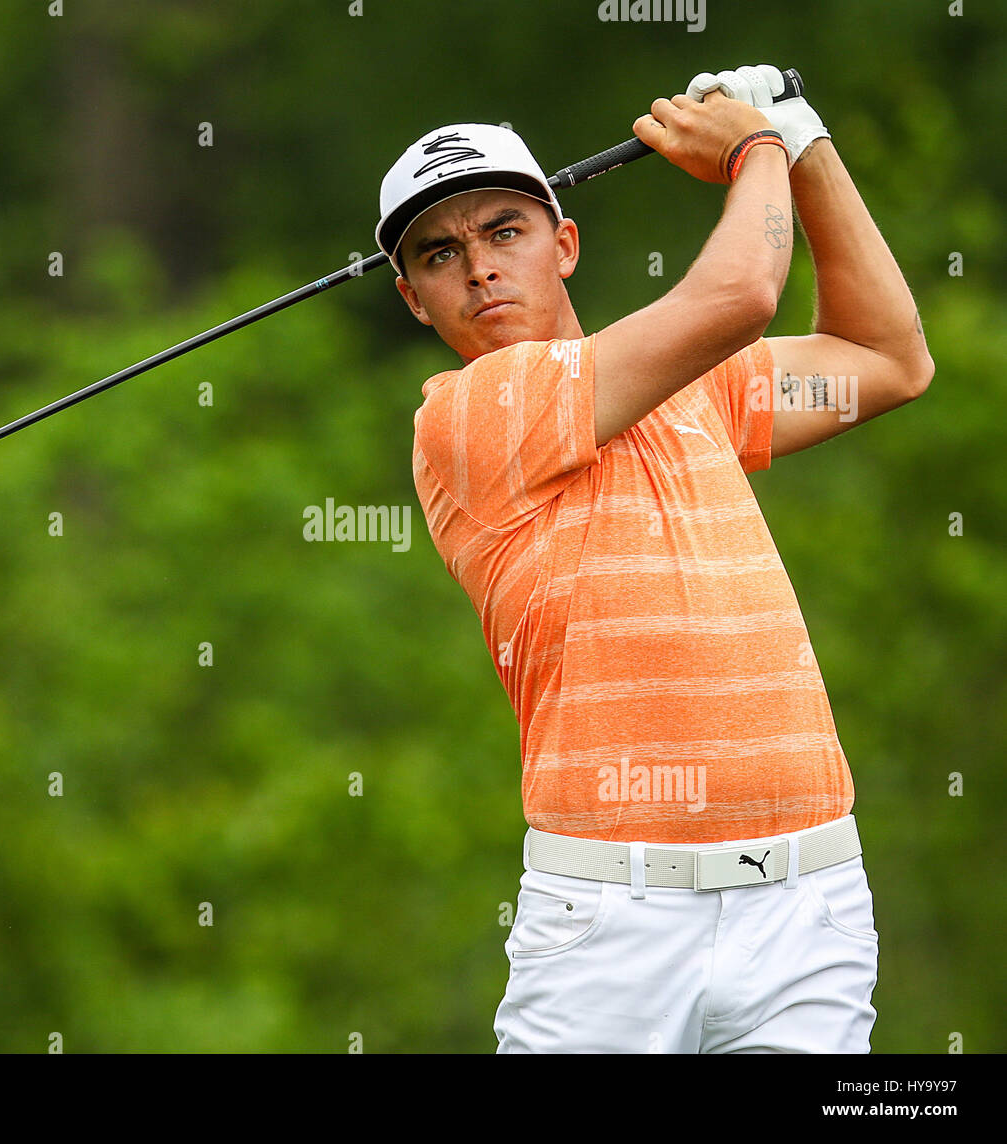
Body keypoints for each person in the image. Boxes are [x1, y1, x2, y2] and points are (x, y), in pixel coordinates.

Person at [374, 64, 933, 1053]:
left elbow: (887, 358)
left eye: (504, 230)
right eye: (438, 253)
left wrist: (804, 142)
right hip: (606, 924)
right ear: (414, 298)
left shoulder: (701, 392)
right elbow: (744, 294)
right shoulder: (464, 416)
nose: (478, 268)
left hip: (805, 904)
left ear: (565, 244)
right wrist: (753, 150)